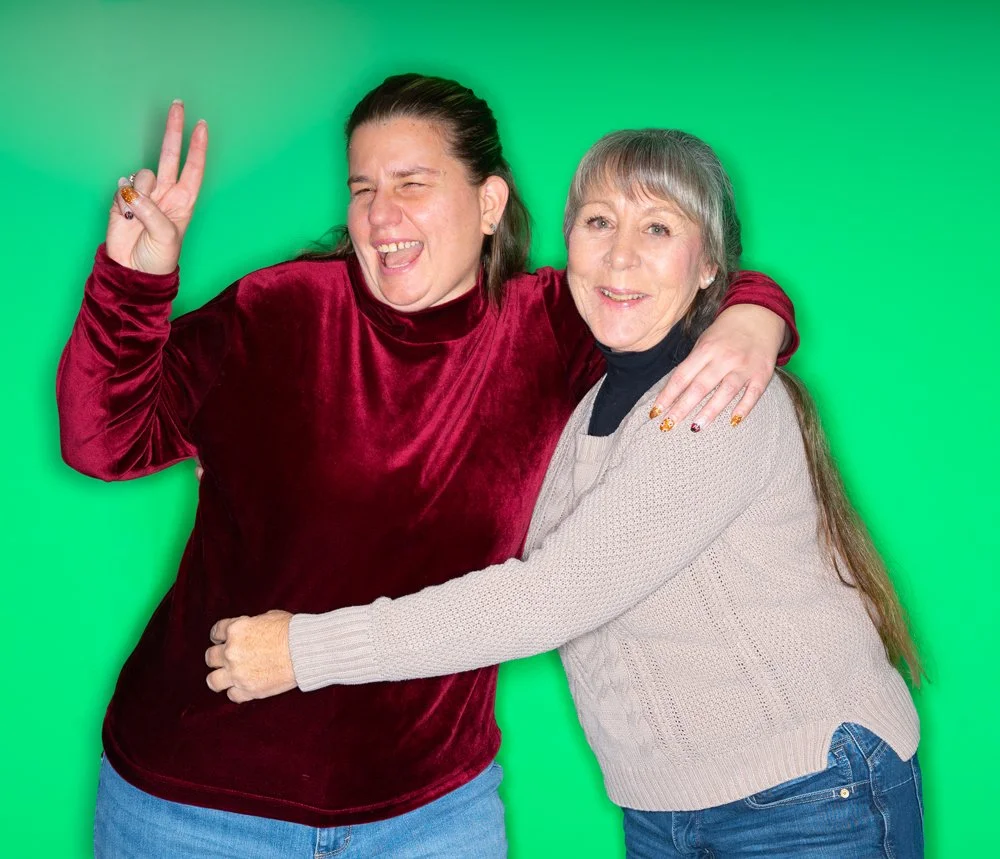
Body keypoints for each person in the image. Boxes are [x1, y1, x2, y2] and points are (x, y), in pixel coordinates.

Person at [58, 75, 796, 857]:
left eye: (413, 183)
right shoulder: (276, 310)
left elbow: (664, 283)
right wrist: (132, 283)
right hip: (196, 803)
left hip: (432, 815)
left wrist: (755, 314)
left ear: (489, 205)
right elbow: (104, 443)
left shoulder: (554, 328)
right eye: (364, 187)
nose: (382, 214)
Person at [209, 128, 922, 858]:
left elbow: (549, 597)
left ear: (709, 264)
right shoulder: (583, 402)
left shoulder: (719, 402)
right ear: (569, 241)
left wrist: (306, 650)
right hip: (665, 806)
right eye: (599, 222)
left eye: (658, 227)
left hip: (805, 792)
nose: (620, 254)